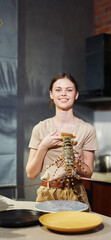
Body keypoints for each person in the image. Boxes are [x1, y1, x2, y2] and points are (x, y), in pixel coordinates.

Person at [26, 72, 98, 208]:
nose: (63, 94)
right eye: (58, 90)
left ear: (76, 95)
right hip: (47, 194)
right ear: (51, 94)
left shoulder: (87, 130)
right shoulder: (40, 128)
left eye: (69, 90)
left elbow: (88, 174)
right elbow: (31, 173)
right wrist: (44, 146)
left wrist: (75, 161)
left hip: (75, 193)